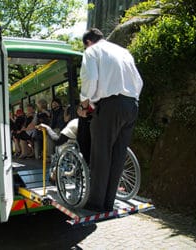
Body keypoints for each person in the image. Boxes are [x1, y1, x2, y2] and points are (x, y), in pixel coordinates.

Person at [79, 28, 143, 212]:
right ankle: (109, 202)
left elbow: (90, 79)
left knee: (101, 153)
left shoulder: (92, 51)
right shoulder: (124, 52)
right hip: (132, 104)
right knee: (118, 155)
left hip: (110, 105)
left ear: (89, 42)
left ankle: (96, 204)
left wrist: (85, 103)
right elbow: (139, 81)